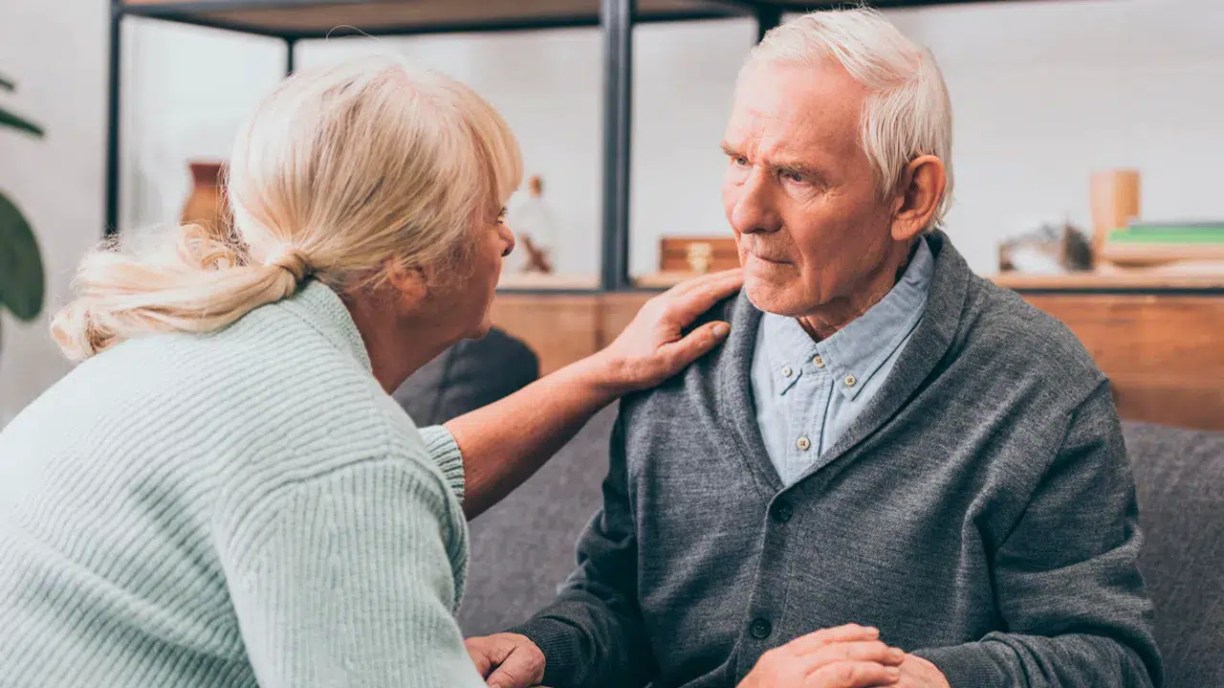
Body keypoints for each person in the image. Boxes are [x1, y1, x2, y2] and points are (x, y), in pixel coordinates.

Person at [467, 8, 1162, 688]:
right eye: (739, 160)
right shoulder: (675, 351)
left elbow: (1108, 660)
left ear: (911, 197)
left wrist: (932, 680)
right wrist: (546, 649)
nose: (744, 212)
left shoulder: (1041, 387)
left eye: (797, 177)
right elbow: (615, 600)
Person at [0, 56, 745, 687]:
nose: (509, 240)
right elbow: (351, 476)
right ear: (411, 268)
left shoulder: (206, 351)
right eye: (490, 213)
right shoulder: (337, 453)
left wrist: (604, 372)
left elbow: (412, 469)